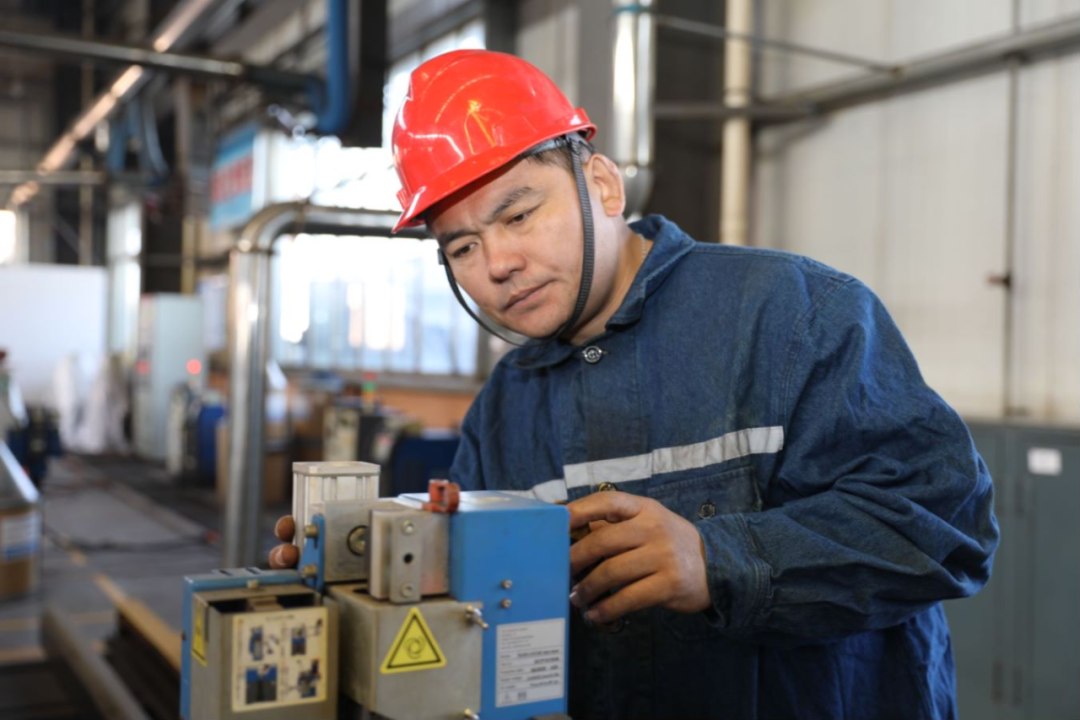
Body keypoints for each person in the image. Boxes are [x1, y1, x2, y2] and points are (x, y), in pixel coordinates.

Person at [271, 49, 998, 719]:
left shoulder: (792, 313)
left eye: (518, 214)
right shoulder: (504, 409)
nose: (496, 264)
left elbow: (947, 525)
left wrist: (719, 559)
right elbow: (478, 607)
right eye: (462, 247)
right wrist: (368, 574)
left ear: (603, 184)